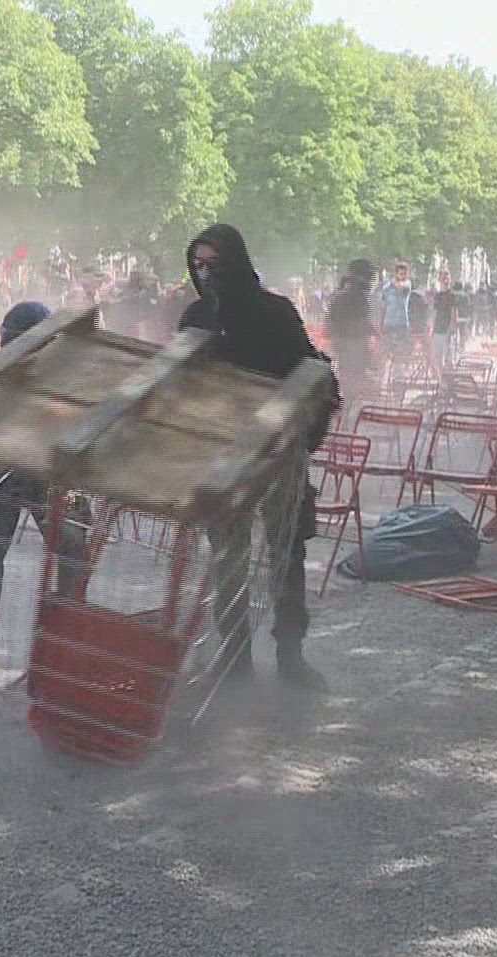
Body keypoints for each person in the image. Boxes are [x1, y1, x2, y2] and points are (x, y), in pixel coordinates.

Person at [178, 224, 337, 691]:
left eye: (215, 264)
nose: (206, 274)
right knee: (229, 564)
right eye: (197, 265)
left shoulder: (275, 313)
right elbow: (185, 389)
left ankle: (291, 657)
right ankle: (234, 661)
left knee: (286, 559)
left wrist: (303, 438)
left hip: (278, 458)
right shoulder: (196, 318)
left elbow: (312, 375)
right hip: (223, 460)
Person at [0, 301, 92, 690]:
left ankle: (62, 647)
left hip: (49, 474)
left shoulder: (65, 377)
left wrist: (71, 484)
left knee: (73, 552)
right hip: (2, 469)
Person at [325, 259, 377, 402]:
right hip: (355, 344)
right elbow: (363, 322)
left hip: (342, 343)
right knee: (354, 379)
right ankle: (350, 404)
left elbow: (330, 321)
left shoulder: (339, 295)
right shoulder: (360, 297)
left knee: (347, 378)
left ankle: (347, 403)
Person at [375, 261, 424, 372]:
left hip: (402, 325)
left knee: (400, 354)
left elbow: (401, 286)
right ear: (396, 273)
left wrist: (393, 282)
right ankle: (381, 376)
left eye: (405, 274)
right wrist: (380, 323)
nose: (403, 276)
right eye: (401, 273)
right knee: (383, 353)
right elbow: (383, 306)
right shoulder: (386, 288)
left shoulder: (407, 284)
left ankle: (398, 376)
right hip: (389, 324)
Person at [431, 268, 462, 371]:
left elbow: (454, 312)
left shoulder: (452, 295)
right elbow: (434, 312)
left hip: (447, 330)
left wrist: (452, 328)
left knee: (449, 358)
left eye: (447, 277)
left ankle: (448, 378)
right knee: (437, 357)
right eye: (442, 277)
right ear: (439, 279)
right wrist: (431, 327)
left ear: (450, 280)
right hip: (438, 329)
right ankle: (440, 377)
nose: (445, 280)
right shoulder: (438, 296)